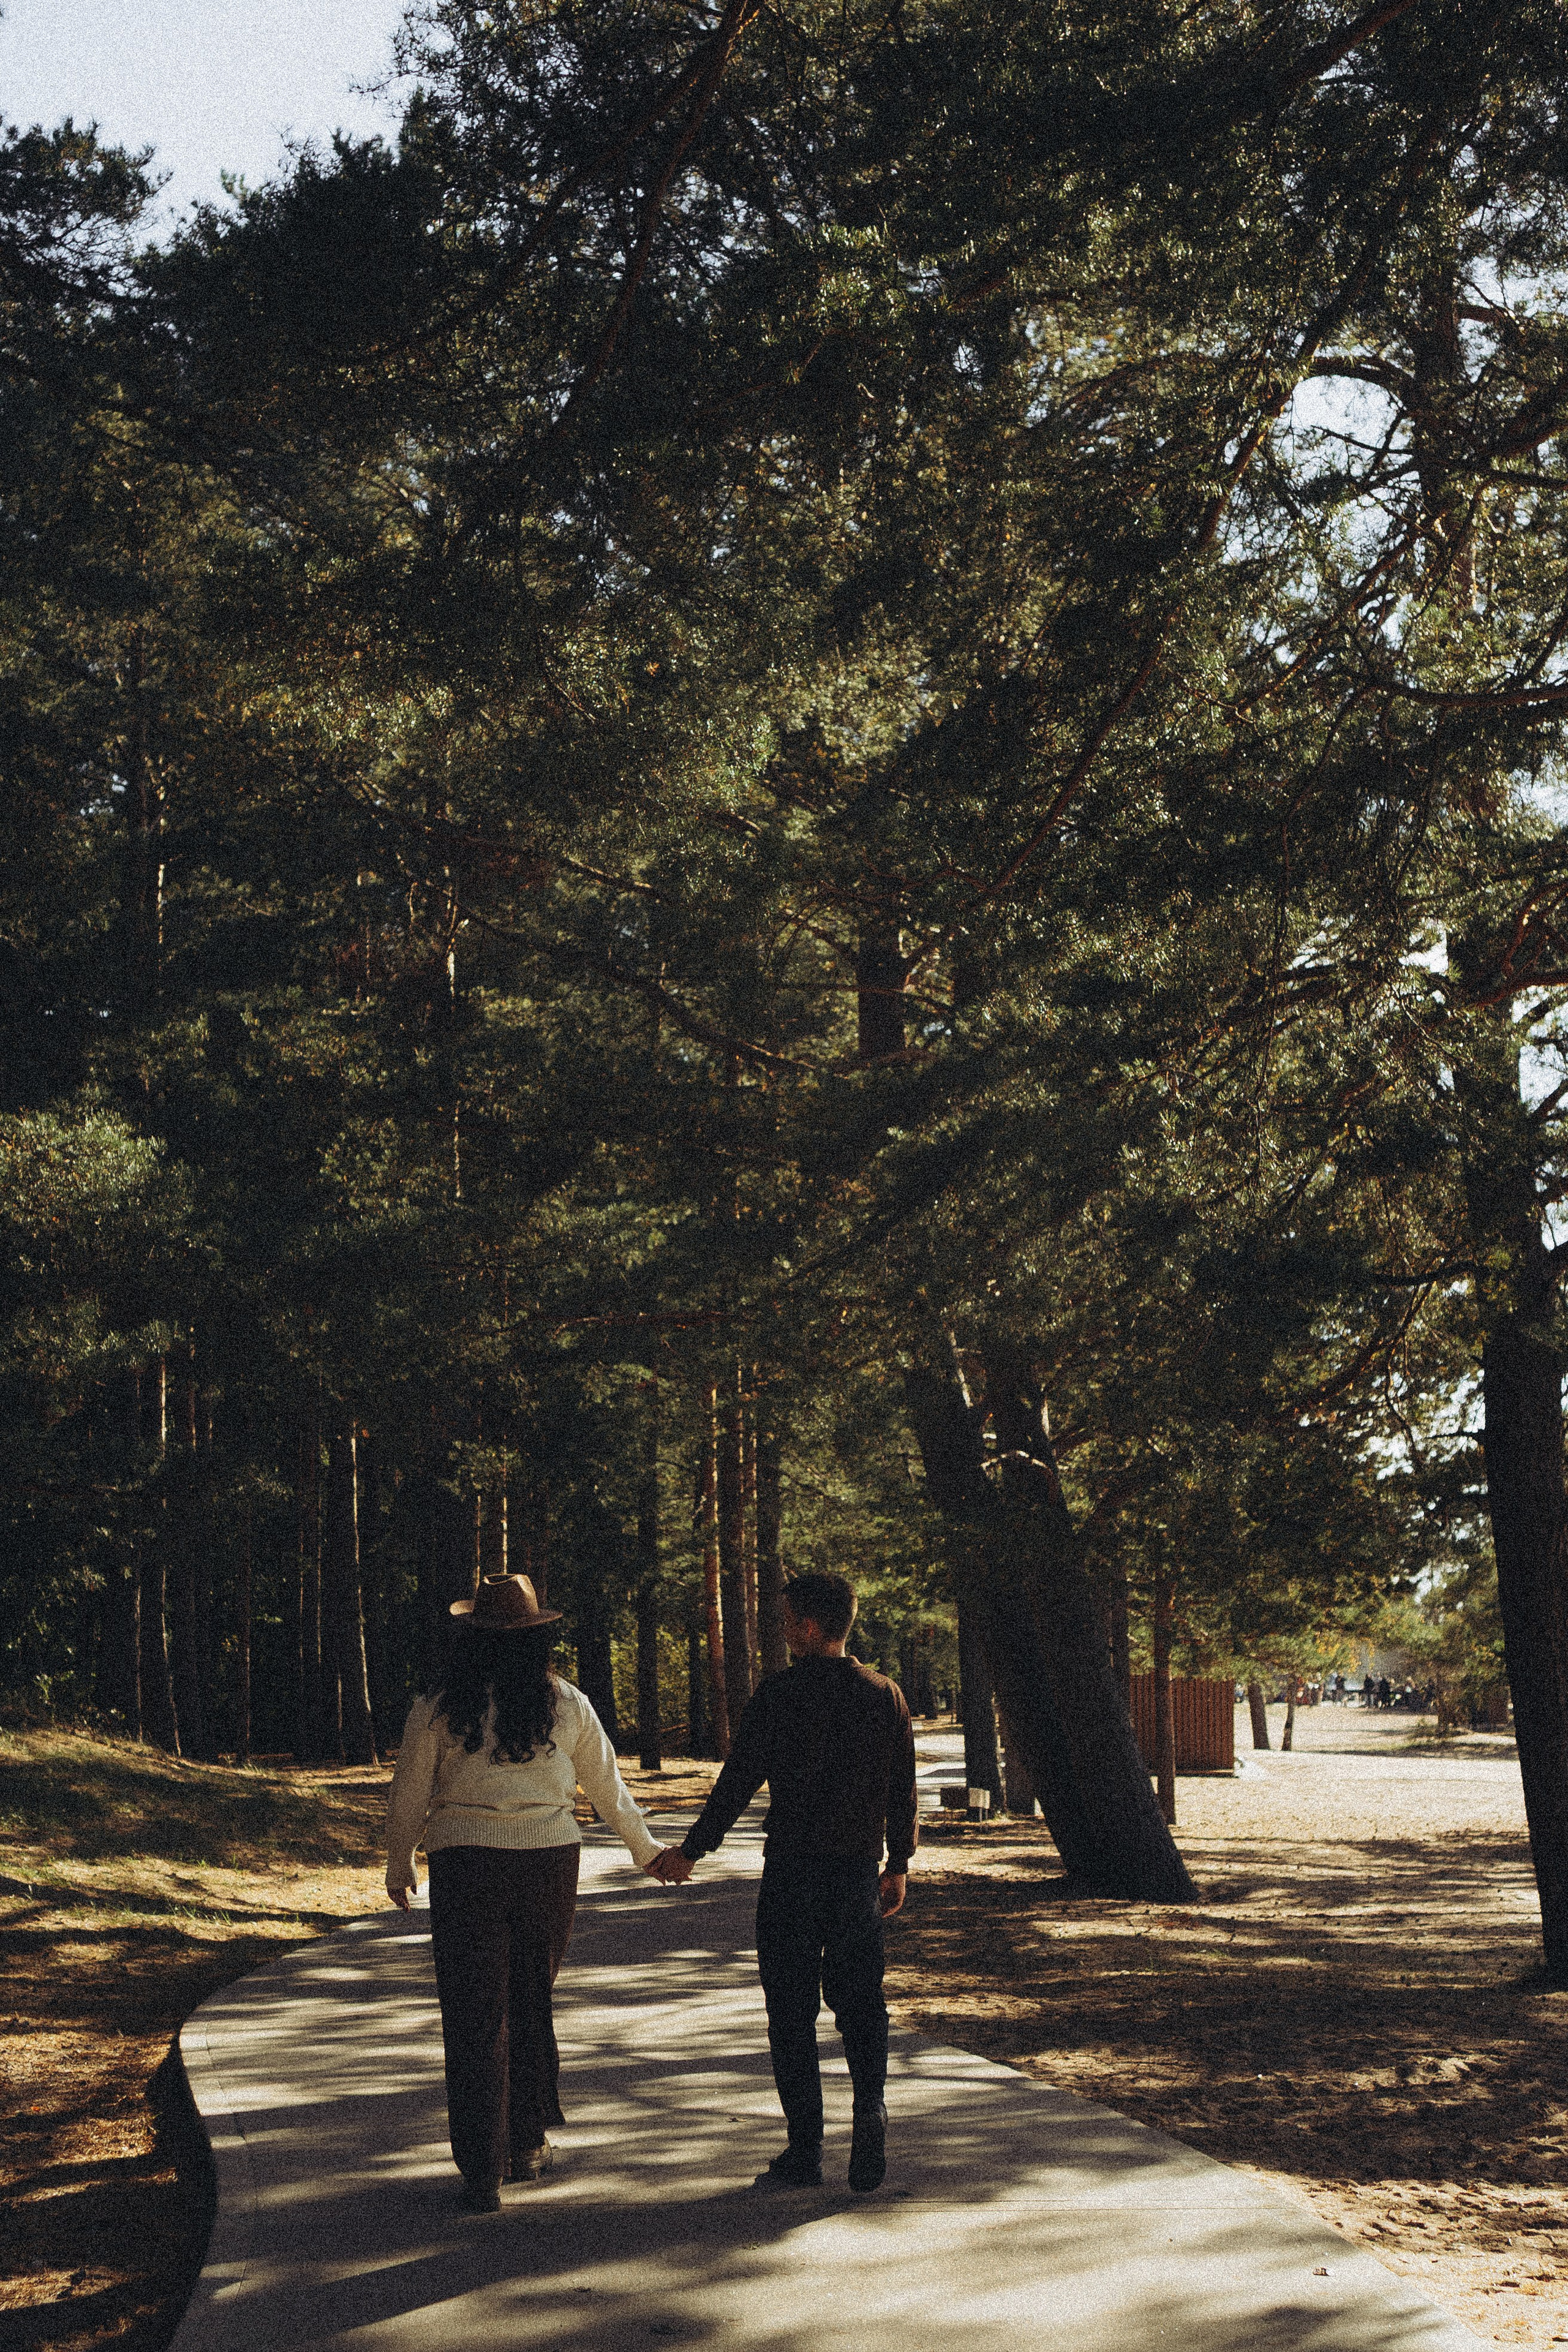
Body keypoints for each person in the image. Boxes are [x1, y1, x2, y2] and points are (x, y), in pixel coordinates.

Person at [385, 1572, 679, 2213]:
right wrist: (647, 1852)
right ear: (537, 1638)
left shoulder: (437, 1706)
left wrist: (399, 1863)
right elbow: (607, 1787)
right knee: (528, 2001)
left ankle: (480, 2170)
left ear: (472, 1639)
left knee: (472, 2013)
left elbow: (409, 1792)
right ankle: (525, 2144)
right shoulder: (566, 1703)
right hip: (547, 1865)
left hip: (466, 1867)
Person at [650, 1570, 917, 2195]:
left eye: (787, 1617)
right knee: (861, 2005)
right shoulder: (885, 1695)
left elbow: (737, 1783)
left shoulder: (779, 1696)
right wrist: (898, 1863)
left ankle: (804, 2149)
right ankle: (869, 2109)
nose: (781, 1628)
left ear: (809, 1626)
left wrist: (693, 1850)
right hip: (855, 1876)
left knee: (790, 2013)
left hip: (792, 1877)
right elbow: (901, 1790)